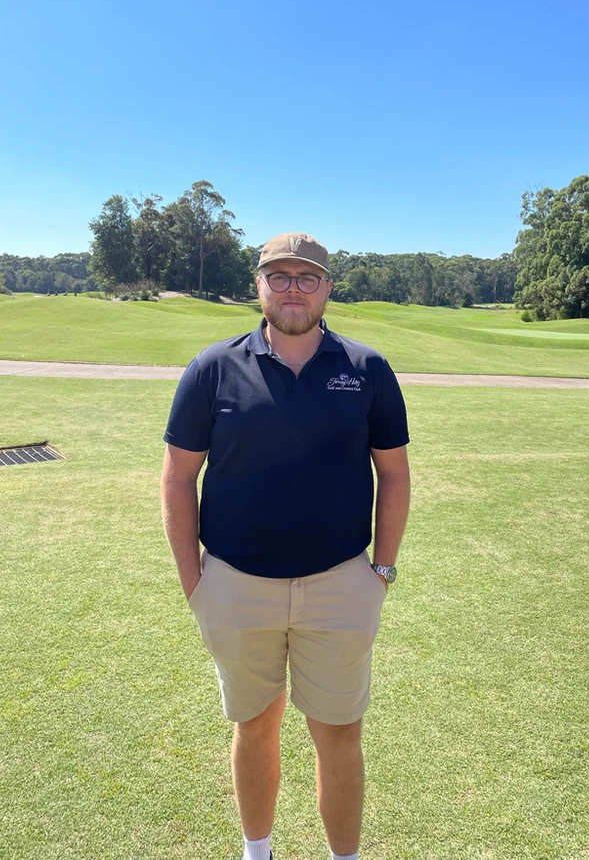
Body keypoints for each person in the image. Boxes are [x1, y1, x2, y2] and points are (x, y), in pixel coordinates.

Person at [161, 232, 410, 860]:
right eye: (280, 276)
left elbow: (395, 473)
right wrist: (197, 582)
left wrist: (381, 567)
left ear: (328, 287)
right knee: (255, 723)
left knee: (339, 732)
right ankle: (258, 851)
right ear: (259, 285)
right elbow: (178, 476)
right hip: (237, 584)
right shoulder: (213, 368)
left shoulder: (367, 369)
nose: (293, 288)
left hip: (340, 582)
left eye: (307, 277)